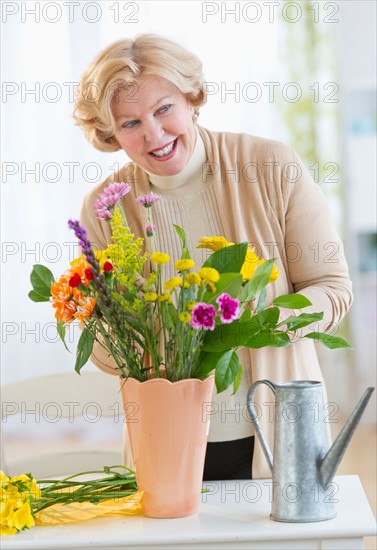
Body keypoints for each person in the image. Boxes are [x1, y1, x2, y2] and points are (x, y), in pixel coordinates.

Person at [73, 33, 353, 481]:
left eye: (164, 108)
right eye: (130, 123)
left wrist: (260, 320)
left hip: (280, 435)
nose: (155, 134)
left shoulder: (270, 166)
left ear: (192, 98)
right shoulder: (105, 207)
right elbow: (106, 345)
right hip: (167, 444)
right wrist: (115, 333)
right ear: (110, 135)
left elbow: (332, 289)